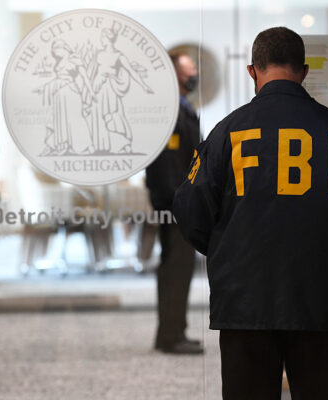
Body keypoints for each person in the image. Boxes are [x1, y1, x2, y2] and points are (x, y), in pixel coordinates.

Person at [173, 27, 328, 398]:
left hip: (245, 300)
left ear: (252, 71)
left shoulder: (227, 134)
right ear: (303, 72)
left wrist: (226, 251)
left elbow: (190, 211)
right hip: (323, 300)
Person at [145, 52, 202, 354]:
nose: (194, 73)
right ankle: (170, 336)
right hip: (174, 204)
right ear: (175, 74)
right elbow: (167, 163)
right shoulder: (167, 111)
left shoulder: (182, 108)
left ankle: (173, 331)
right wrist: (176, 201)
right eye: (189, 68)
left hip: (180, 200)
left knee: (178, 268)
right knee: (175, 269)